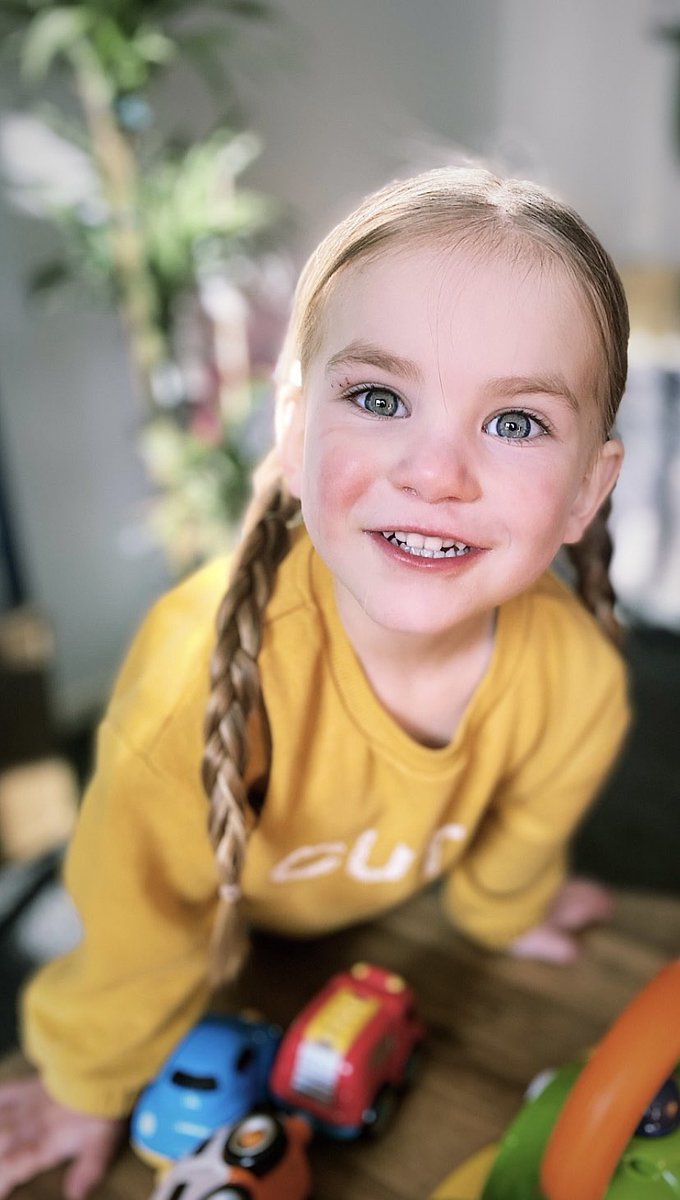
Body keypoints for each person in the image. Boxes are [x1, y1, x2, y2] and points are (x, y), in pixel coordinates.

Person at [0, 165, 630, 1198]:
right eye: (379, 398)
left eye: (515, 421)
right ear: (294, 435)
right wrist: (89, 1078)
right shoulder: (196, 676)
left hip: (375, 935)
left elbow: (524, 827)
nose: (435, 473)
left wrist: (506, 907)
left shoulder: (576, 681)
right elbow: (138, 905)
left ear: (586, 491)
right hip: (205, 930)